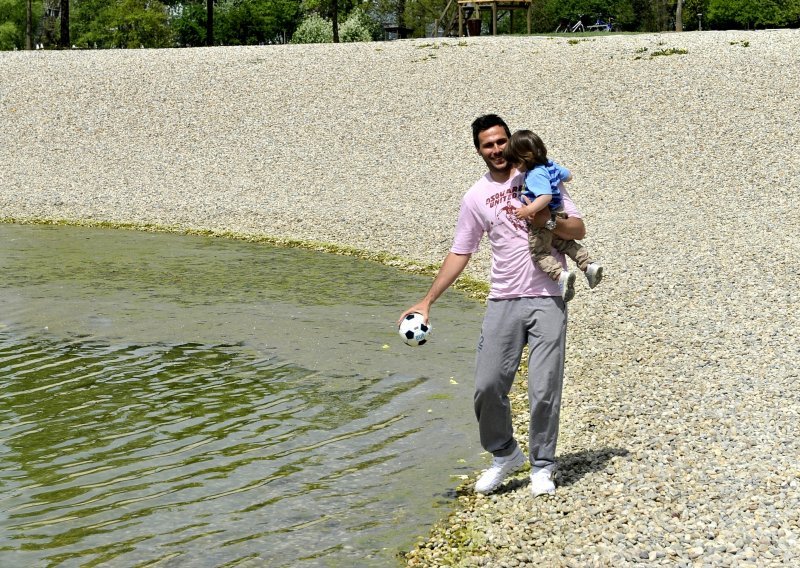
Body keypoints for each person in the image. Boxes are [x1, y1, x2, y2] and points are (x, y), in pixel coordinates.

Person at [398, 114, 588, 497]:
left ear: (510, 141)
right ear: (479, 150)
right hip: (502, 298)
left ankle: (542, 466)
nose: (497, 150)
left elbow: (578, 230)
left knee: (544, 389)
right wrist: (427, 300)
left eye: (501, 142)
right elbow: (461, 251)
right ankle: (504, 454)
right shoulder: (475, 197)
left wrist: (544, 217)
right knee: (487, 387)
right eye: (489, 145)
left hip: (547, 295)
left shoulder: (539, 173)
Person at [502, 129, 603, 302]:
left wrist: (528, 210)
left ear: (526, 157)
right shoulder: (550, 165)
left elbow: (545, 196)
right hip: (560, 213)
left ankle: (559, 276)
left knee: (540, 253)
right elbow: (568, 175)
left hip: (541, 216)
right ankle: (588, 265)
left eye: (515, 161)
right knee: (563, 243)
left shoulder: (534, 175)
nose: (514, 166)